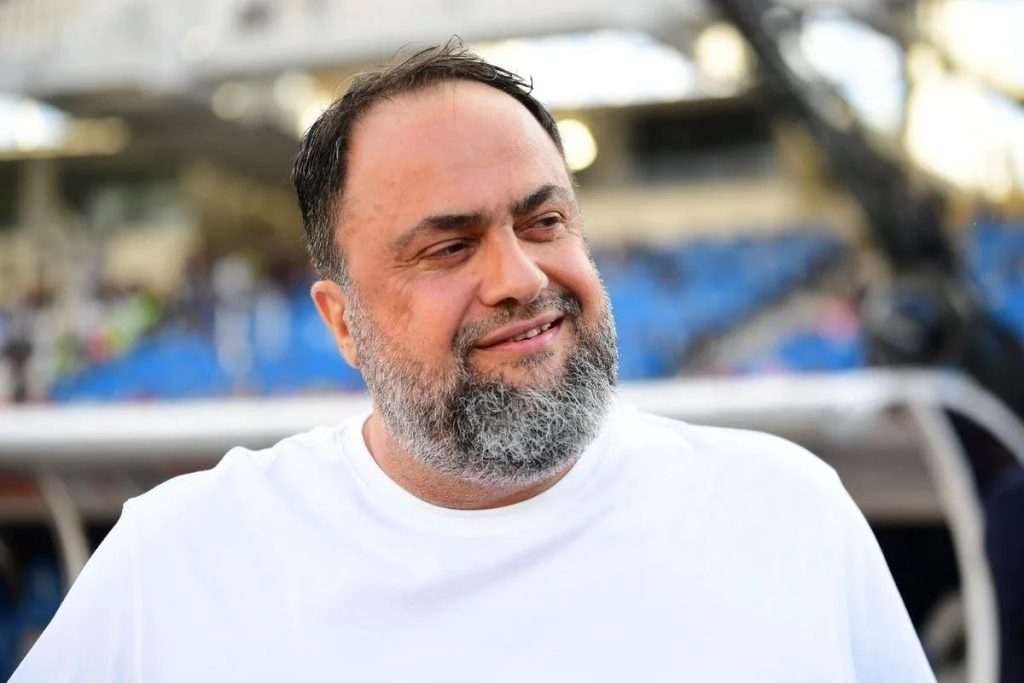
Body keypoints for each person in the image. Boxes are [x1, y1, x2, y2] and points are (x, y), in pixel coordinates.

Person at [12, 41, 934, 681]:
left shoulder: (789, 514)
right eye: (450, 247)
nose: (521, 277)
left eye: (545, 220)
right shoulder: (177, 565)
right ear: (342, 322)